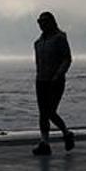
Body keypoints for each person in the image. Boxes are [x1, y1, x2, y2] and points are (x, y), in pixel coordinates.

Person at [32, 11, 75, 156]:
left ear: (52, 22)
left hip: (56, 81)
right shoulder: (38, 43)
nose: (42, 24)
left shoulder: (59, 38)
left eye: (45, 21)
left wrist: (58, 75)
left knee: (50, 112)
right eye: (40, 21)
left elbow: (67, 59)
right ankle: (44, 142)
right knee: (43, 113)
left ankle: (66, 133)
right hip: (41, 80)